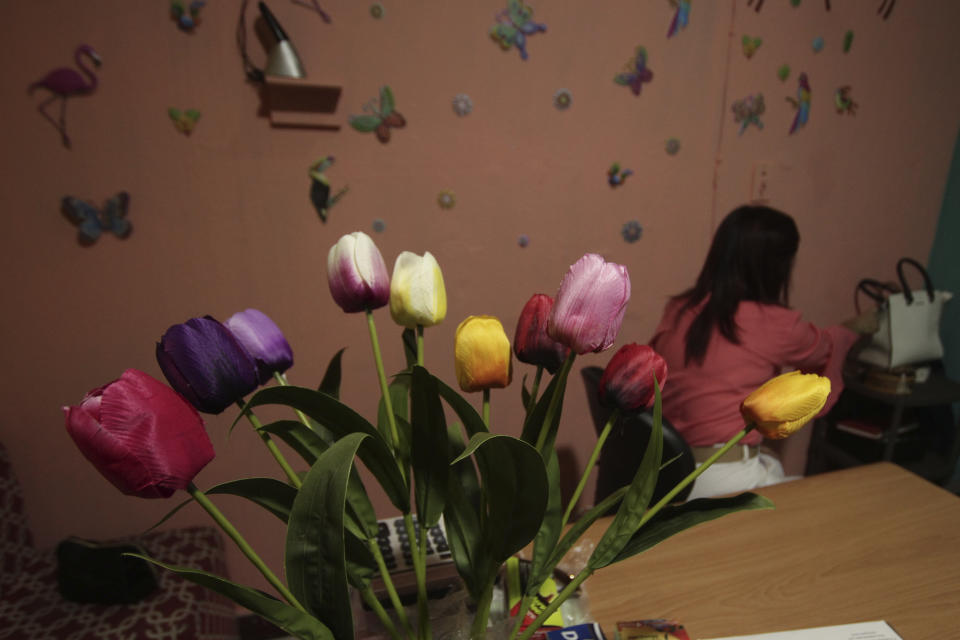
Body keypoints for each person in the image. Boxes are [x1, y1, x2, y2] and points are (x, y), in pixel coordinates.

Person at [648, 205, 870, 499]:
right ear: (777, 267)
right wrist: (856, 328)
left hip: (667, 473)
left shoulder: (680, 309)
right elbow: (826, 349)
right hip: (724, 479)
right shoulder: (775, 324)